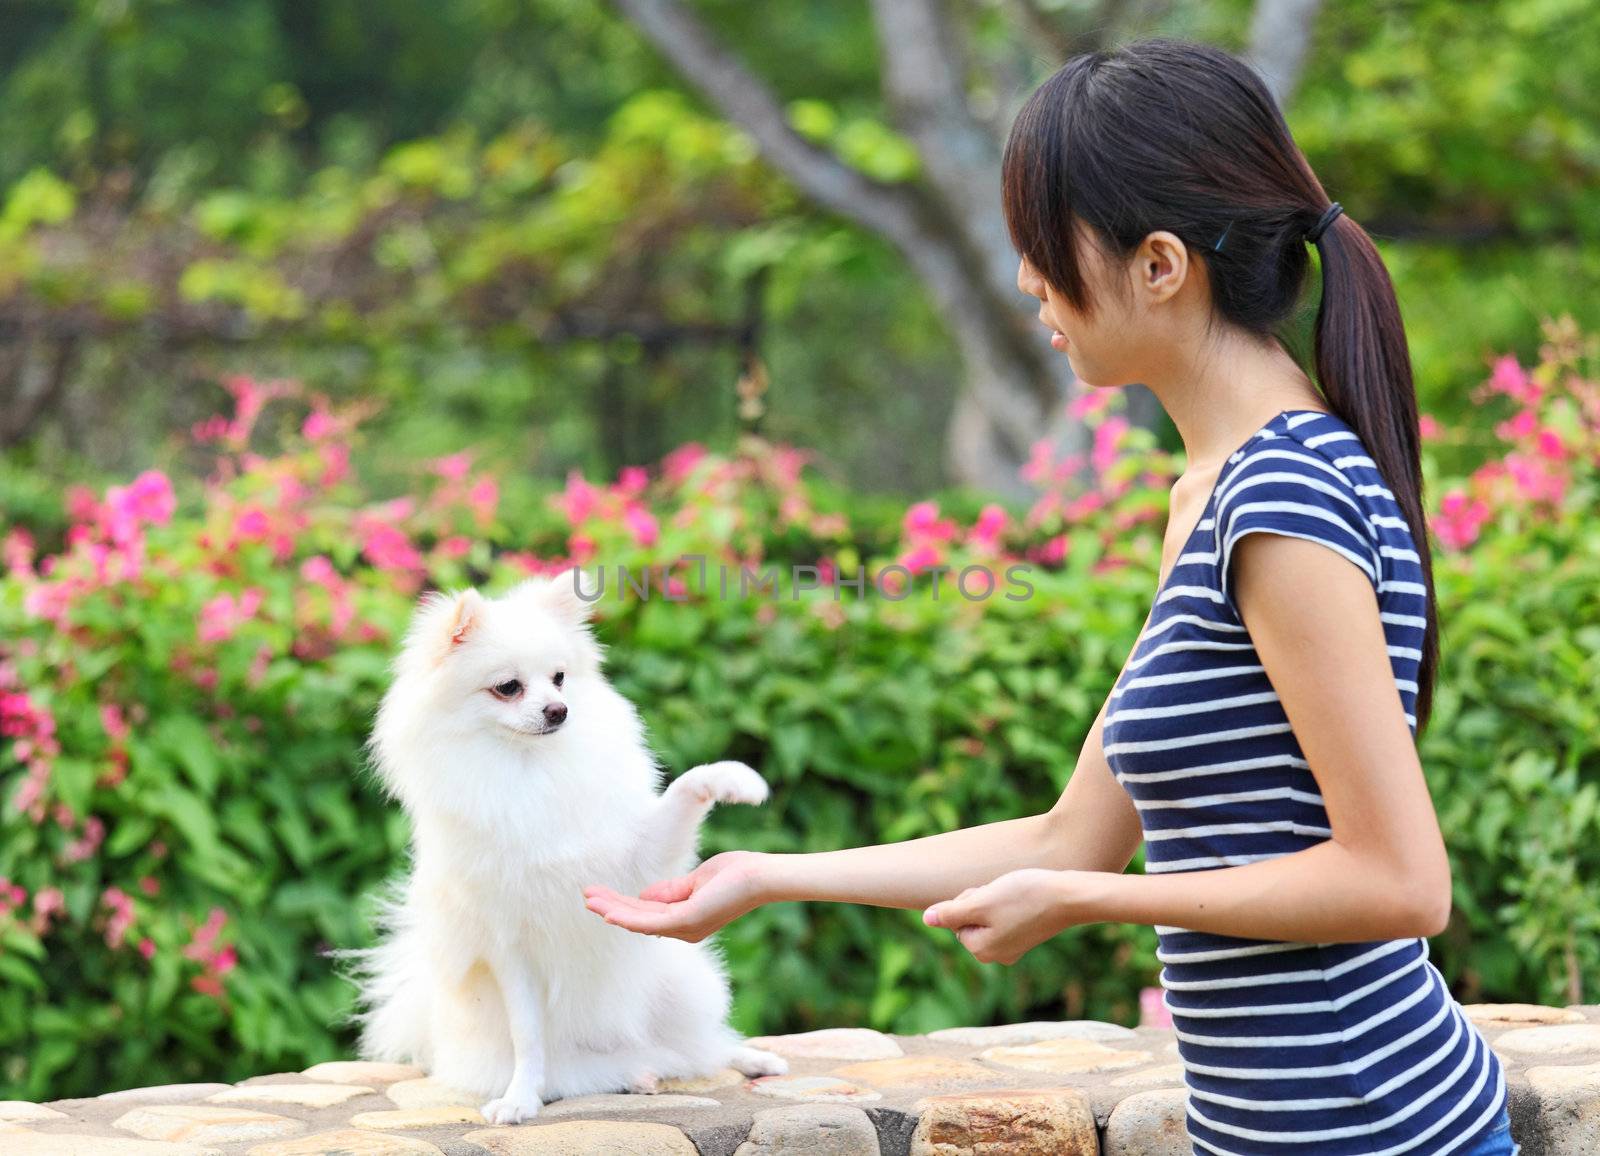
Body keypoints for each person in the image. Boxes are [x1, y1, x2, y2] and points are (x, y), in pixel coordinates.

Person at [582, 37, 1518, 1156]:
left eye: (1045, 243)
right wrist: (765, 877)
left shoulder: (1282, 498)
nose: (1027, 279)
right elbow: (1073, 835)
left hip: (1374, 1127)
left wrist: (1094, 905)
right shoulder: (1218, 491)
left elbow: (1400, 879)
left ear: (1161, 264)